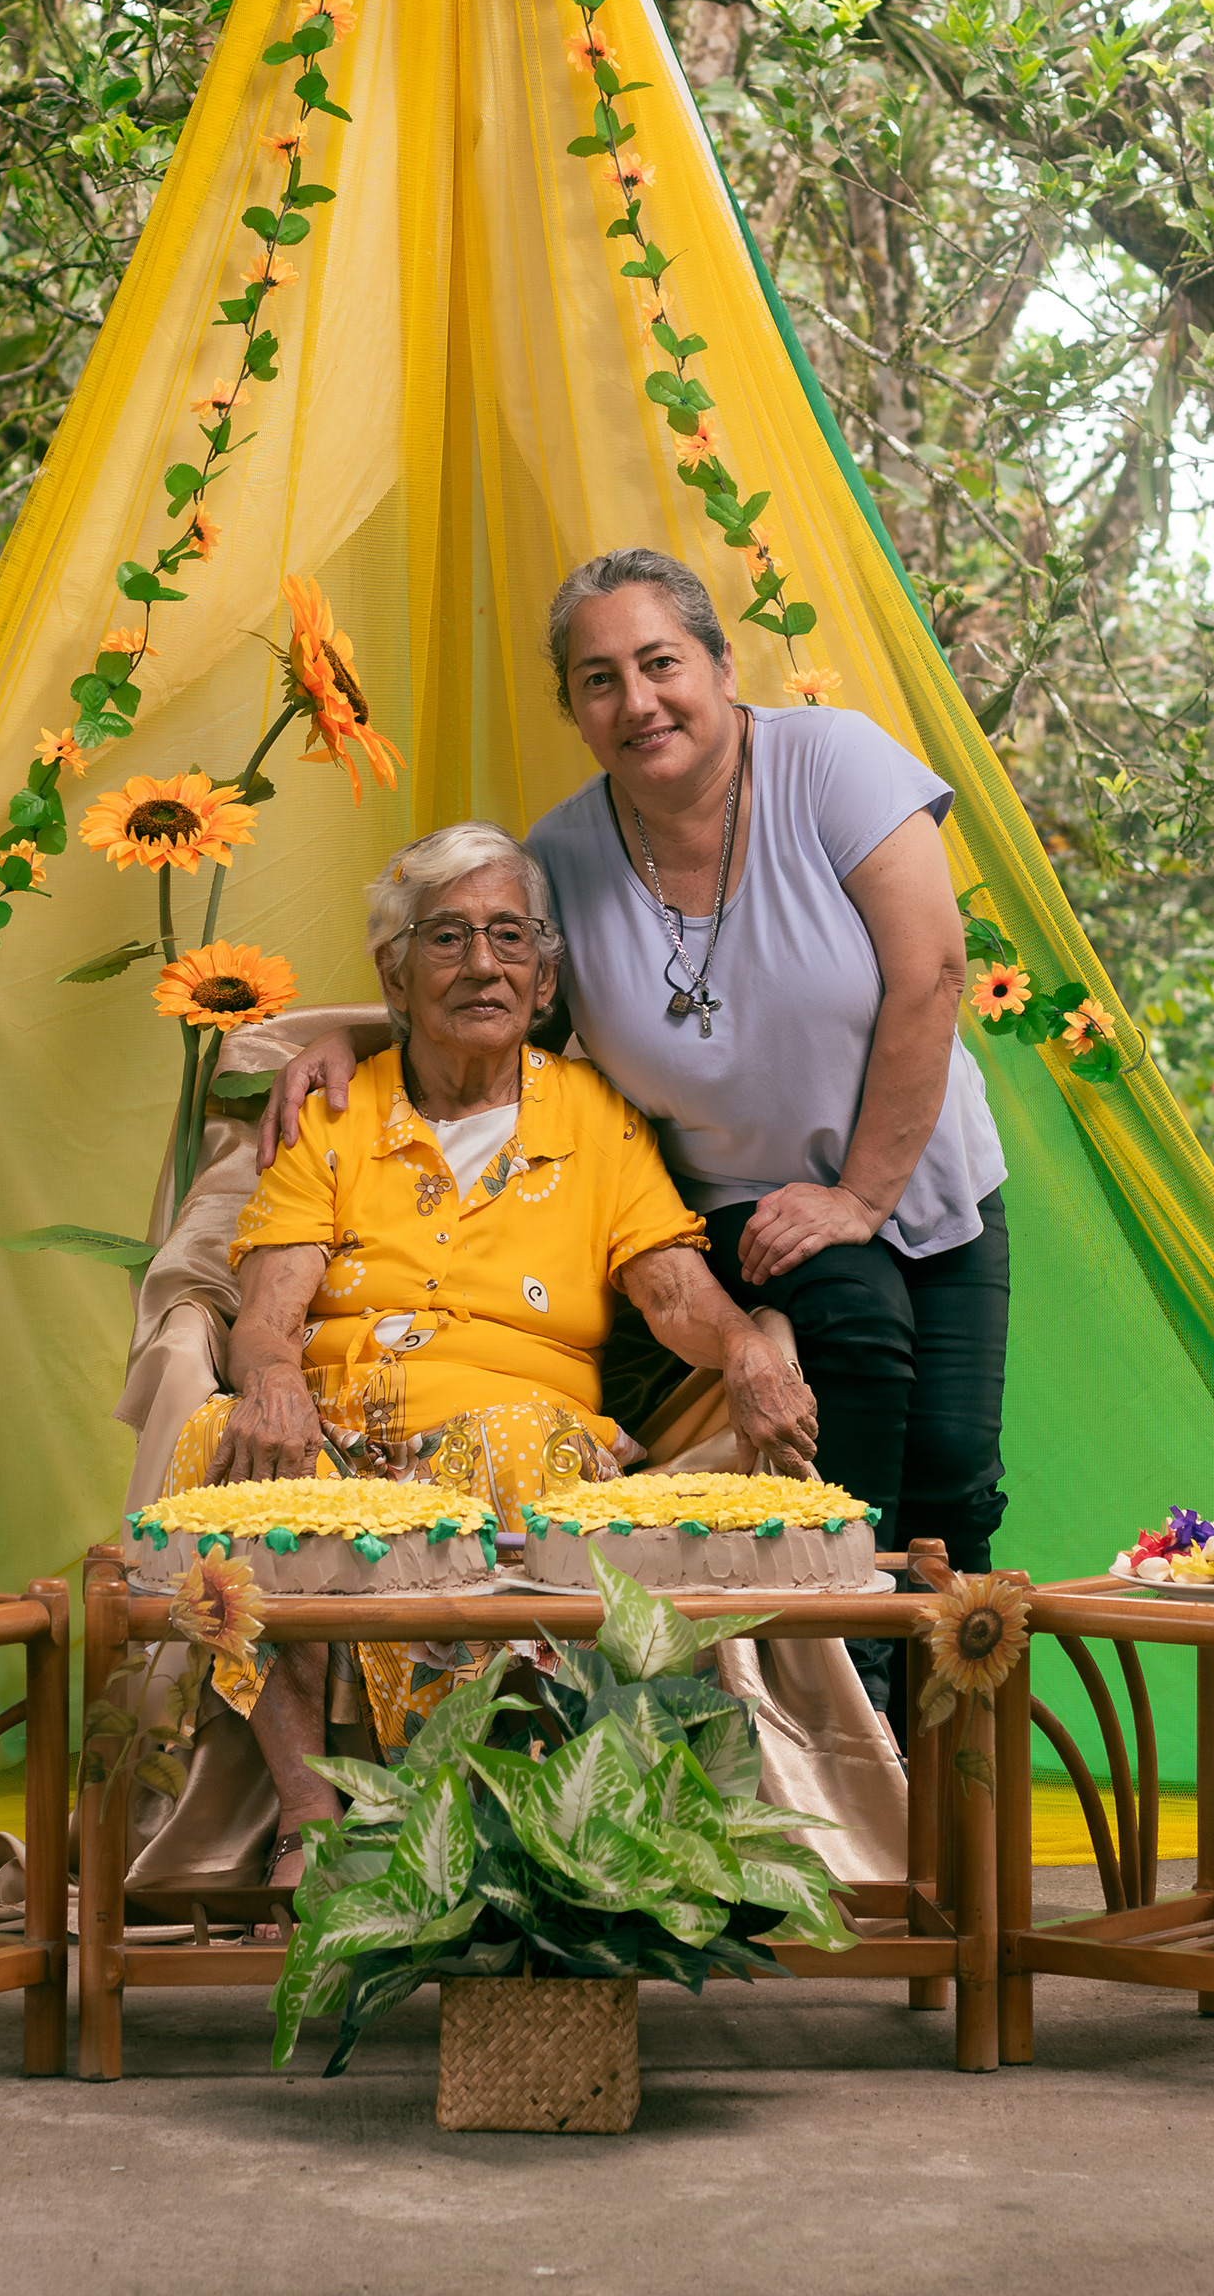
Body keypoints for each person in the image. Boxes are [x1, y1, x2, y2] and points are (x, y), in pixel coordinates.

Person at [261, 548, 1011, 1712]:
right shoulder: (563, 856)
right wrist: (340, 1045)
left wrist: (861, 1199)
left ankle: (952, 1761)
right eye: (599, 679)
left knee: (957, 1477)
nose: (638, 700)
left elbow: (934, 975)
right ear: (574, 708)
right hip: (742, 1209)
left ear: (720, 665)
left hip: (915, 1177)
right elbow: (488, 984)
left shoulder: (834, 762)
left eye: (661, 663)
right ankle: (856, 1715)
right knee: (856, 1343)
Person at [162, 816, 817, 1881]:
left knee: (508, 1442)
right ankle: (309, 1815)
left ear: (545, 979)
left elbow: (672, 1290)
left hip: (515, 1429)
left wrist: (745, 1345)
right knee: (222, 1443)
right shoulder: (337, 1114)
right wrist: (272, 1381)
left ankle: (463, 1804)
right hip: (334, 1429)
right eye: (448, 936)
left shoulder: (595, 1118)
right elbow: (269, 1312)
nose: (482, 964)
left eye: (510, 937)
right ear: (395, 971)